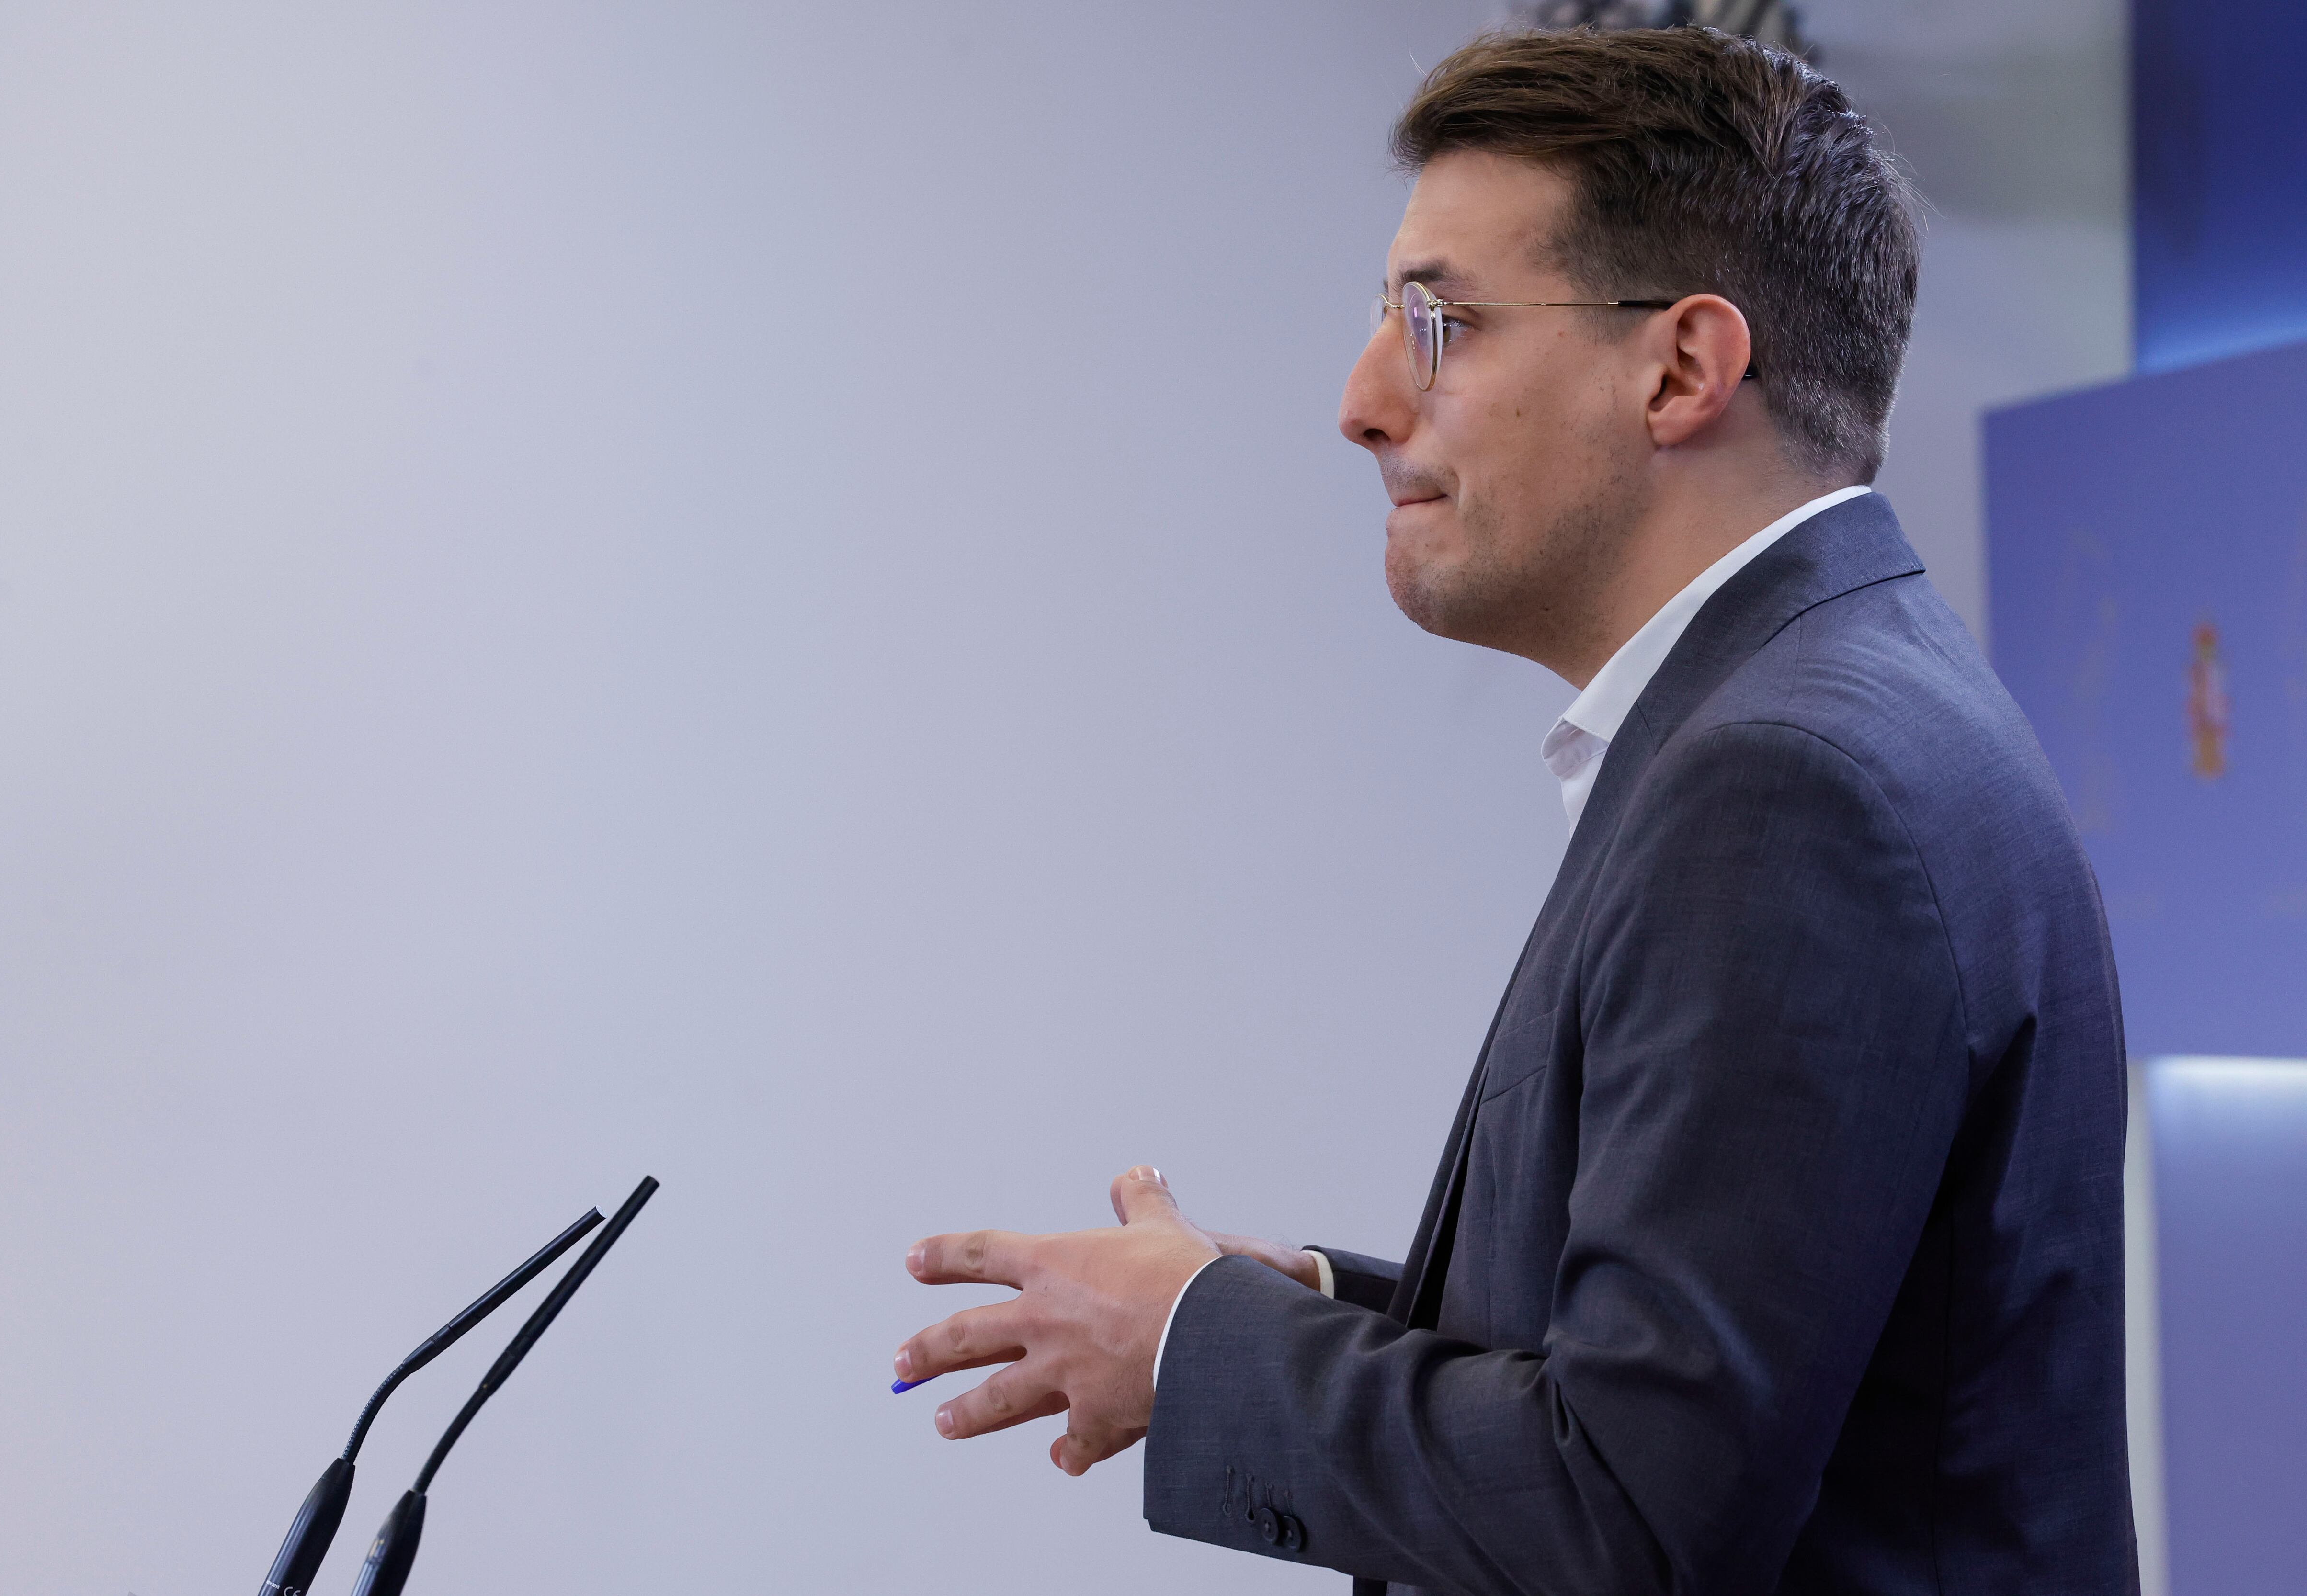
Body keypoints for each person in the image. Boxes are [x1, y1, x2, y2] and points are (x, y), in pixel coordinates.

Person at [891, 26, 2136, 1596]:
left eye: (1443, 323)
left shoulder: (1790, 786)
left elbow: (1628, 1513)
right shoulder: (1851, 705)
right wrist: (1297, 1307)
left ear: (1681, 367)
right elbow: (1730, 1372)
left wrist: (1199, 1347)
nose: (1362, 402)